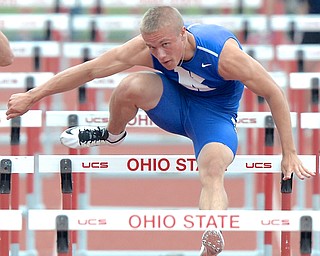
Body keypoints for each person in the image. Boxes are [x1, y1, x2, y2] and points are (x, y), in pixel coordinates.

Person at [6, 6, 315, 255]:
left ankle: (212, 231)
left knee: (213, 166)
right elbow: (89, 69)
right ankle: (112, 134)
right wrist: (33, 96)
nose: (161, 55)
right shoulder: (147, 49)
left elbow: (274, 92)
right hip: (171, 104)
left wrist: (289, 152)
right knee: (130, 84)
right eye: (153, 47)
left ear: (183, 34)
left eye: (166, 45)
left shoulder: (223, 55)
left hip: (214, 116)